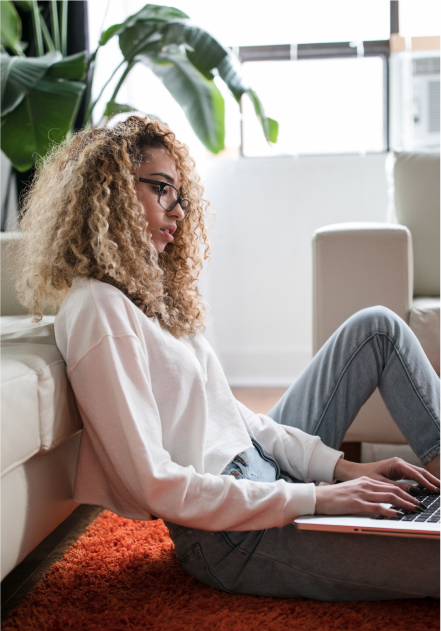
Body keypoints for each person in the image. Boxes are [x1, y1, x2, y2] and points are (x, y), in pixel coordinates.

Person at [16, 116, 440, 601]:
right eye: (161, 189)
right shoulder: (97, 309)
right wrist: (317, 498)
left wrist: (341, 470)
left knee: (376, 328)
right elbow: (154, 484)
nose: (177, 211)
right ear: (109, 192)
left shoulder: (153, 298)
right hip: (232, 537)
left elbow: (236, 419)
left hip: (266, 477)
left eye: (180, 195)